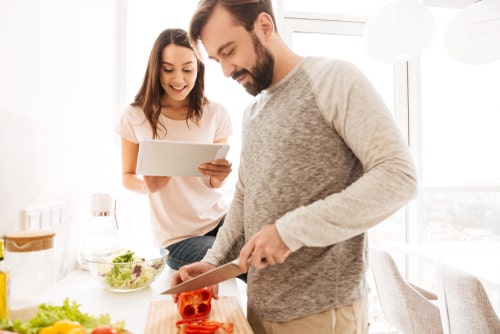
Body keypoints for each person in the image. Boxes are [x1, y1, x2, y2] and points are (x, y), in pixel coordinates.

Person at [172, 1, 418, 333]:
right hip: (259, 307)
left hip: (321, 316)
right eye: (217, 60)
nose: (226, 71)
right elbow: (244, 200)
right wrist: (213, 262)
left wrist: (289, 232)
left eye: (229, 51)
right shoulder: (252, 114)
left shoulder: (333, 79)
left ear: (264, 26)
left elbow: (399, 177)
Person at [117, 28, 233, 270]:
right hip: (179, 240)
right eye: (168, 69)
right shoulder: (135, 115)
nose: (178, 79)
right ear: (156, 69)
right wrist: (148, 187)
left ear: (198, 69)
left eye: (187, 69)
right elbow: (127, 176)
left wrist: (219, 177)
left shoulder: (215, 113)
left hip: (222, 218)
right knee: (230, 258)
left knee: (265, 253)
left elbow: (213, 183)